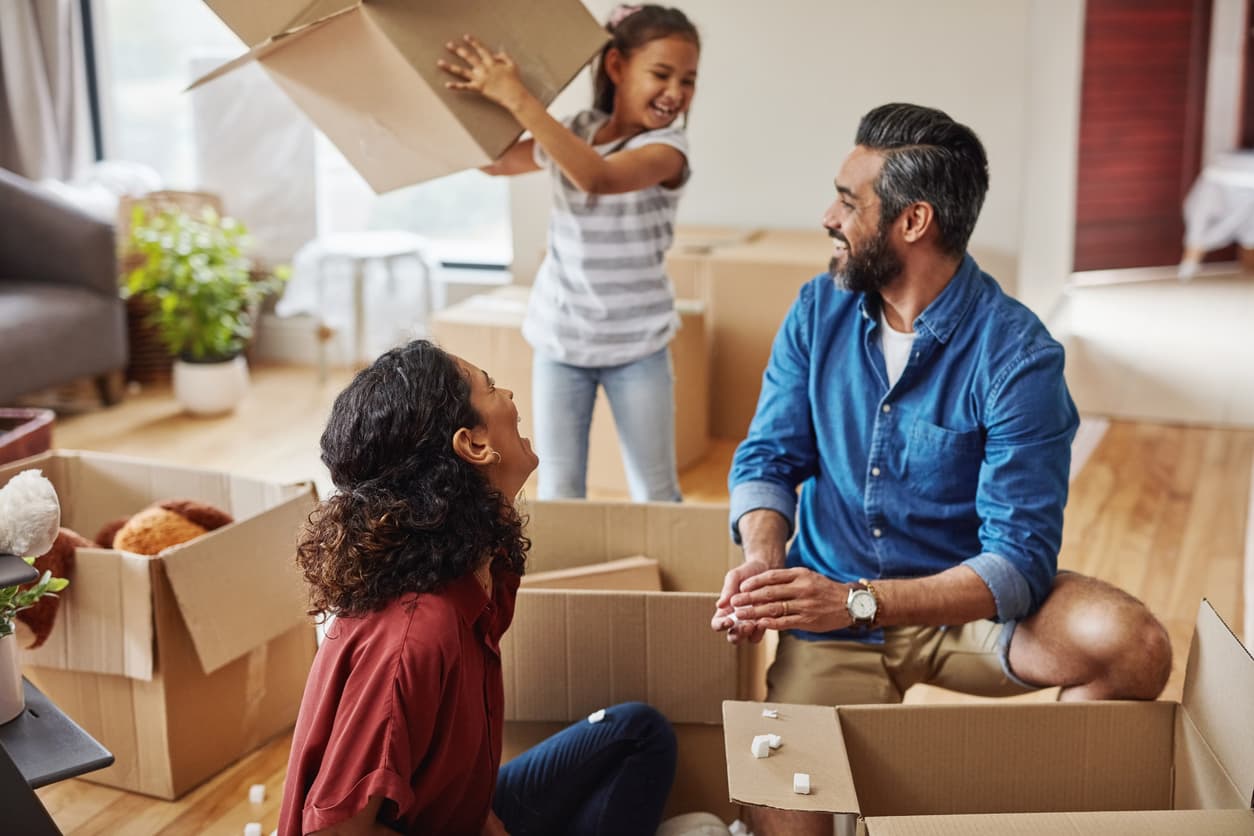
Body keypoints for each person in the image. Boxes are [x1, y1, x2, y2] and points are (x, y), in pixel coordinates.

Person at [708, 104, 1174, 836]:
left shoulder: (1018, 357)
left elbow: (1019, 564)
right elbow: (769, 455)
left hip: (961, 613)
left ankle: (1036, 811)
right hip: (831, 621)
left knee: (1135, 645)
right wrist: (766, 566)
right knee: (787, 827)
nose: (829, 215)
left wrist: (859, 601)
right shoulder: (816, 310)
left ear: (913, 221)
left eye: (849, 200)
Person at [277, 340, 677, 836]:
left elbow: (446, 771)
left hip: (459, 815)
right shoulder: (417, 638)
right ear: (472, 445)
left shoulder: (479, 570)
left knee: (638, 732)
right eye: (490, 386)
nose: (508, 393)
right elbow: (336, 833)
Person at [437, 4, 701, 502]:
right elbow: (494, 165)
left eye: (688, 80)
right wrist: (477, 94)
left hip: (637, 345)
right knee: (559, 488)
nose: (676, 92)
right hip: (562, 339)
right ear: (617, 67)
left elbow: (597, 176)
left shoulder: (671, 149)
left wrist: (518, 95)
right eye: (662, 74)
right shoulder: (577, 128)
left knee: (657, 488)